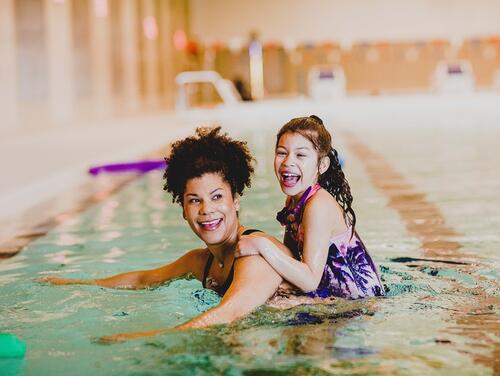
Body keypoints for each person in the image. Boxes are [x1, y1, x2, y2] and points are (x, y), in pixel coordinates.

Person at [42, 127, 290, 342]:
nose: (207, 210)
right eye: (194, 200)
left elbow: (228, 314)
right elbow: (143, 280)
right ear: (183, 210)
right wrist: (76, 285)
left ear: (235, 200)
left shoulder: (254, 254)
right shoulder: (201, 262)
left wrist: (146, 338)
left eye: (217, 197)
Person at [236, 115, 384, 299]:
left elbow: (309, 280)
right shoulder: (294, 202)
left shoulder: (318, 205)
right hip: (333, 297)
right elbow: (291, 259)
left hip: (360, 305)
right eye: (282, 152)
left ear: (322, 165)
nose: (287, 161)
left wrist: (261, 245)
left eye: (300, 155)